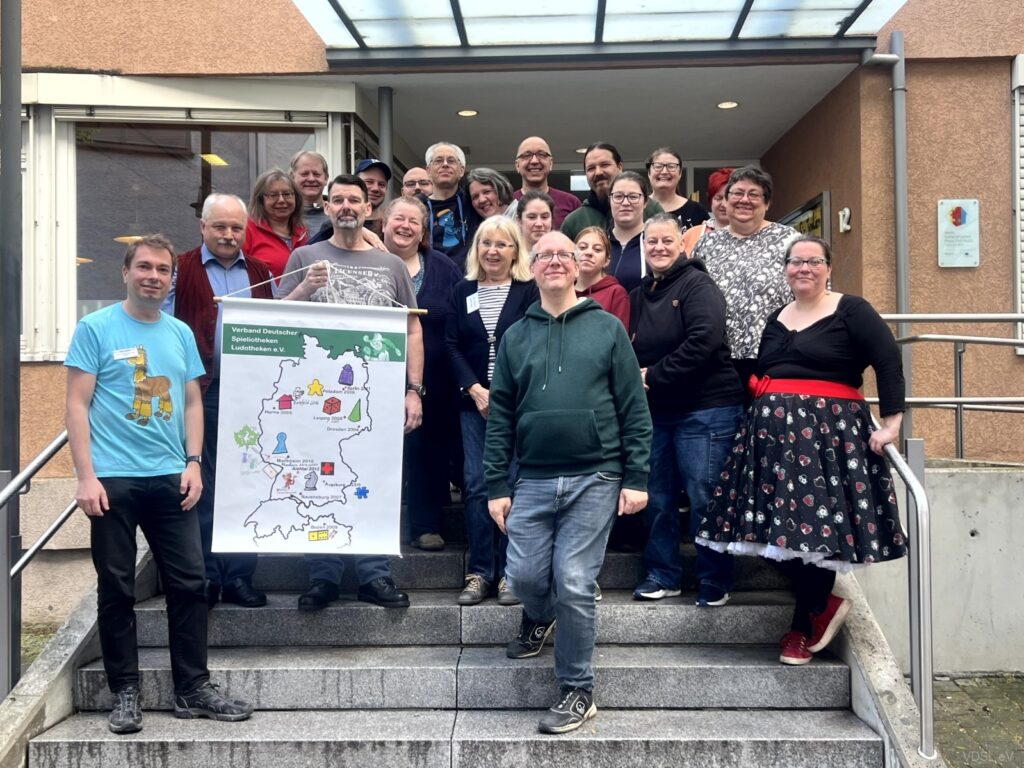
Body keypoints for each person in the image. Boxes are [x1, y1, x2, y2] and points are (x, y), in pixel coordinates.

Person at [65, 235, 253, 734]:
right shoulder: (95, 328)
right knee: (117, 588)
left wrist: (193, 462)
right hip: (112, 480)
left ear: (172, 278)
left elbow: (193, 402)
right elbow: (76, 405)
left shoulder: (179, 333)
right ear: (125, 272)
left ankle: (192, 688)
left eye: (163, 269)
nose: (153, 276)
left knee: (191, 585)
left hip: (171, 477)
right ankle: (124, 691)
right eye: (144, 267)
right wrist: (85, 476)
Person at [695, 235, 908, 665]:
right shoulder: (778, 316)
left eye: (814, 261)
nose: (804, 269)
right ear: (786, 268)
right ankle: (820, 607)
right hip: (771, 438)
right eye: (795, 262)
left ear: (829, 267)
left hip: (827, 439)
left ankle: (805, 622)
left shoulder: (852, 310)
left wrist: (892, 424)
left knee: (813, 532)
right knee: (764, 531)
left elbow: (887, 360)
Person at [485, 230, 651, 734]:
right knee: (526, 579)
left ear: (579, 267)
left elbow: (633, 407)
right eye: (545, 255)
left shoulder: (606, 329)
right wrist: (496, 483)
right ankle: (539, 615)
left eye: (564, 254)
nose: (555, 261)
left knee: (575, 581)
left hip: (596, 475)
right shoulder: (515, 335)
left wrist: (637, 475)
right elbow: (500, 417)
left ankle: (577, 689)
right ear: (531, 268)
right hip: (533, 477)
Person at [279, 174, 424, 610]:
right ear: (326, 207)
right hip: (314, 396)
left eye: (354, 200)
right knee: (318, 483)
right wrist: (306, 287)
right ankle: (323, 576)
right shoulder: (304, 256)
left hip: (375, 396)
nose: (346, 206)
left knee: (374, 481)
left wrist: (414, 389)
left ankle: (374, 575)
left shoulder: (391, 266)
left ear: (368, 210)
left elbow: (412, 327)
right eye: (338, 199)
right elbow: (276, 320)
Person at [628, 214, 745, 606]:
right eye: (651, 242)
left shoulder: (698, 284)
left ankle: (715, 578)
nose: (658, 248)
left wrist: (653, 374)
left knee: (704, 494)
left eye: (666, 241)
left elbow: (704, 341)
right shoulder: (640, 294)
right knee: (657, 496)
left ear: (682, 245)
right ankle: (663, 573)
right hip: (657, 413)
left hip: (706, 410)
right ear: (643, 247)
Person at [165, 194, 273, 608]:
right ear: (203, 227)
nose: (229, 235)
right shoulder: (181, 268)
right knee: (203, 485)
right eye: (220, 227)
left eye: (236, 228)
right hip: (202, 394)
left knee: (250, 482)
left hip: (254, 395)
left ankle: (241, 576)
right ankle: (207, 575)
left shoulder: (262, 272)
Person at [445, 215, 537, 606]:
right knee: (478, 485)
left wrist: (503, 394)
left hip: (518, 406)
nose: (493, 251)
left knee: (515, 486)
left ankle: (511, 575)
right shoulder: (462, 289)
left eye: (503, 244)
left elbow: (536, 343)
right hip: (473, 407)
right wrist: (476, 389)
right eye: (486, 243)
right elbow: (450, 345)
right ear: (476, 249)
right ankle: (480, 572)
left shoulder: (529, 291)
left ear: (516, 250)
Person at [382, 197, 463, 551]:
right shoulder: (368, 264)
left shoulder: (444, 267)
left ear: (424, 230)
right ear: (383, 222)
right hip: (368, 376)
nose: (405, 226)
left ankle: (425, 525)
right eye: (398, 218)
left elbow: (459, 320)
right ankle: (375, 526)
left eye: (414, 221)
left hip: (435, 379)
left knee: (428, 452)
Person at [690, 165, 799, 384]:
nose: (744, 200)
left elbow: (812, 291)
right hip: (717, 360)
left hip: (775, 356)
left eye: (754, 194)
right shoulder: (706, 244)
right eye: (737, 193)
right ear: (726, 201)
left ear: (767, 203)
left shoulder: (790, 240)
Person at [560, 141, 661, 241]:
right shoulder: (574, 222)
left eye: (605, 165)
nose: (598, 172)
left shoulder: (651, 209)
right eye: (591, 168)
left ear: (620, 167)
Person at [245, 168, 308, 282]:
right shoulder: (247, 230)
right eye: (273, 195)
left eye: (287, 194)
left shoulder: (302, 231)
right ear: (260, 200)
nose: (281, 200)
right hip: (264, 299)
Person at [422, 141, 478, 271]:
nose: (445, 164)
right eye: (438, 160)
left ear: (461, 170)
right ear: (428, 171)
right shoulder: (416, 207)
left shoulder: (474, 202)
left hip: (467, 284)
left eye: (451, 161)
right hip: (429, 281)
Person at [512, 136, 581, 228]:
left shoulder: (571, 203)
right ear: (517, 165)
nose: (534, 161)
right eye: (526, 155)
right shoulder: (508, 204)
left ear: (551, 163)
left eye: (541, 154)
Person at [574, 226, 630, 328]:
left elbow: (619, 338)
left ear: (606, 261)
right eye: (582, 247)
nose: (588, 253)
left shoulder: (616, 293)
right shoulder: (563, 290)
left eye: (597, 250)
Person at [646, 147, 709, 232]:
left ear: (680, 173)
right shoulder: (638, 208)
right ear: (649, 173)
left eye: (671, 166)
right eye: (658, 166)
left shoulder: (696, 210)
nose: (664, 171)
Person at [607, 171, 650, 294]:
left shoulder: (658, 245)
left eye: (633, 197)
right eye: (618, 196)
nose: (625, 203)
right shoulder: (597, 244)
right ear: (610, 200)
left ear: (645, 201)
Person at [681, 167, 734, 256]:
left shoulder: (753, 235)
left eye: (729, 198)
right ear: (710, 199)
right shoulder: (691, 234)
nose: (724, 204)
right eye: (718, 198)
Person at [290, 150, 330, 234]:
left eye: (316, 174)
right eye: (304, 174)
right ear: (292, 177)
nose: (311, 179)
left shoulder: (337, 213)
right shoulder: (282, 215)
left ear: (326, 178)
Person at [356, 157, 392, 237]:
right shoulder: (337, 224)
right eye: (369, 182)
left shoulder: (392, 226)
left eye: (381, 184)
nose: (376, 188)